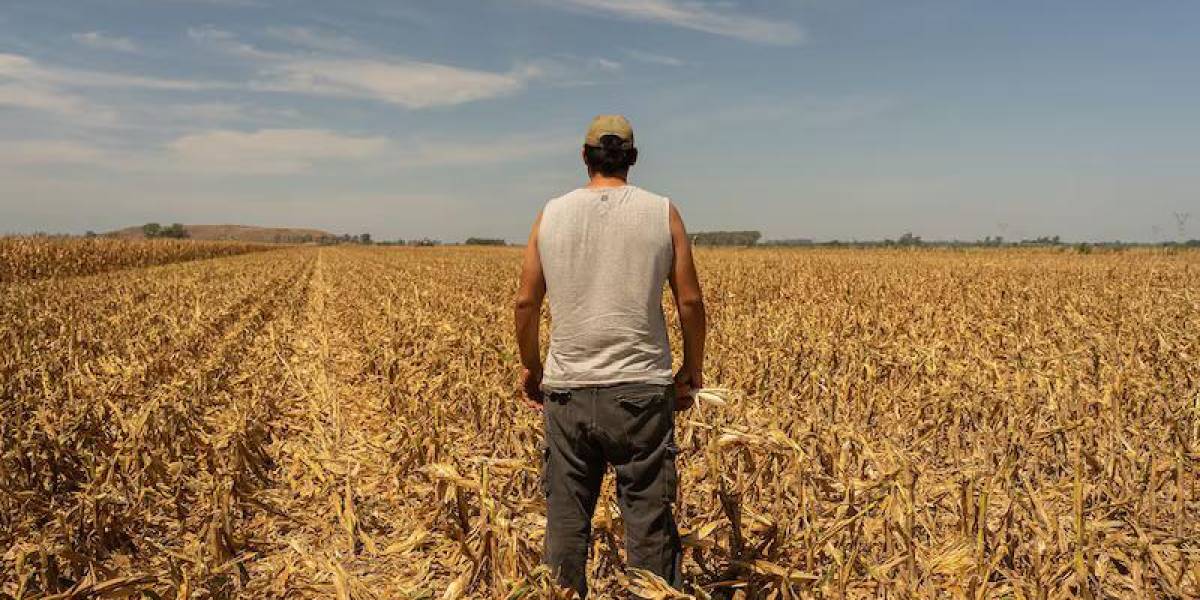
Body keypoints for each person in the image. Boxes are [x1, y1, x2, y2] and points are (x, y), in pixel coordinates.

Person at [514, 114, 707, 597]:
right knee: (648, 522)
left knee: (565, 521)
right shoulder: (663, 212)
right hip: (642, 392)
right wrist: (691, 369)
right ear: (633, 159)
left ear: (584, 157)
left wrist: (534, 367)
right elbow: (690, 302)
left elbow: (525, 303)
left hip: (567, 391)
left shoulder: (550, 215)